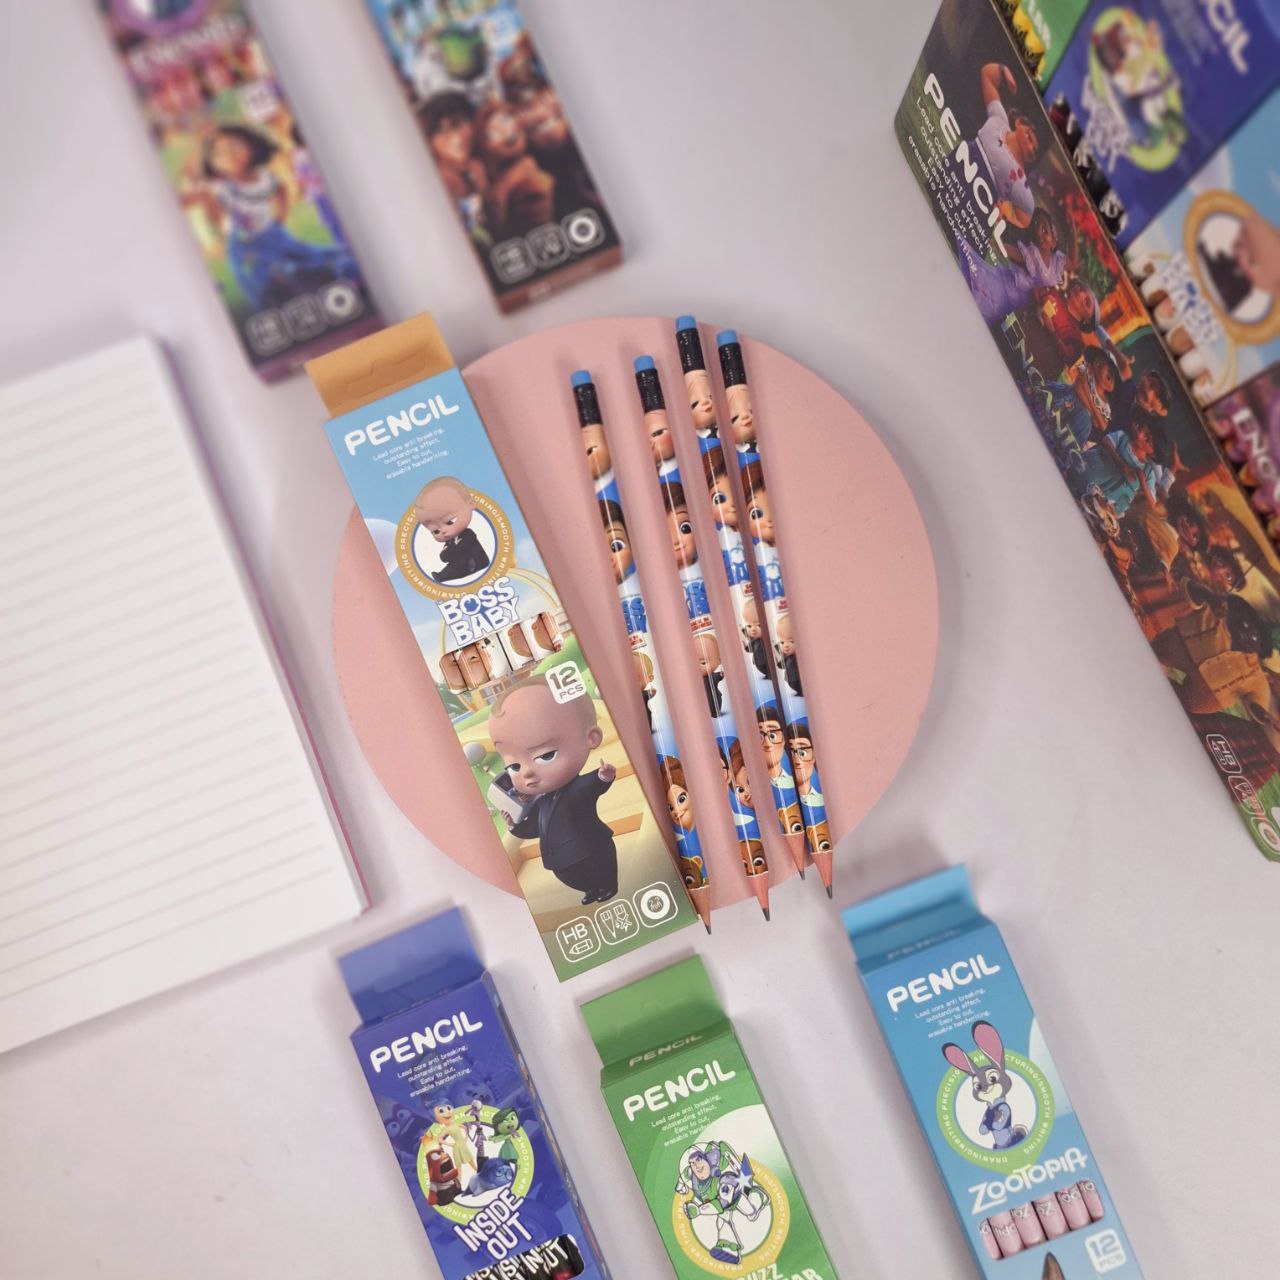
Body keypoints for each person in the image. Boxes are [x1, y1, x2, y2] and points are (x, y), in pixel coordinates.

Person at [188, 123, 356, 310]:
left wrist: (281, 215)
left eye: (235, 147)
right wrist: (223, 232)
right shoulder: (223, 188)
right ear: (212, 161)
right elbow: (215, 212)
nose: (229, 156)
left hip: (272, 231)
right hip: (244, 243)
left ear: (252, 145)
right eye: (219, 154)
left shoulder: (264, 177)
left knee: (305, 255)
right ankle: (273, 298)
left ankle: (329, 268)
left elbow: (280, 191)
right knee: (259, 276)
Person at [489, 682, 618, 904]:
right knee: (575, 876)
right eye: (514, 766)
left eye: (546, 756)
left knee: (598, 866)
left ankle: (606, 885)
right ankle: (590, 889)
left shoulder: (574, 790)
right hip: (560, 858)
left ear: (591, 738)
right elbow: (536, 827)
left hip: (589, 848)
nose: (527, 772)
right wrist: (514, 826)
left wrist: (603, 776)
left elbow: (589, 785)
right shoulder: (543, 801)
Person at [414, 477, 490, 583]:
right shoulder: (449, 542)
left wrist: (451, 550)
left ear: (471, 505)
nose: (443, 531)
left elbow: (461, 547)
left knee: (459, 562)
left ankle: (444, 576)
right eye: (436, 531)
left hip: (475, 562)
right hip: (458, 564)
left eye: (450, 520)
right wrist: (451, 550)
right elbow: (443, 557)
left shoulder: (468, 534)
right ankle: (441, 576)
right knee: (453, 565)